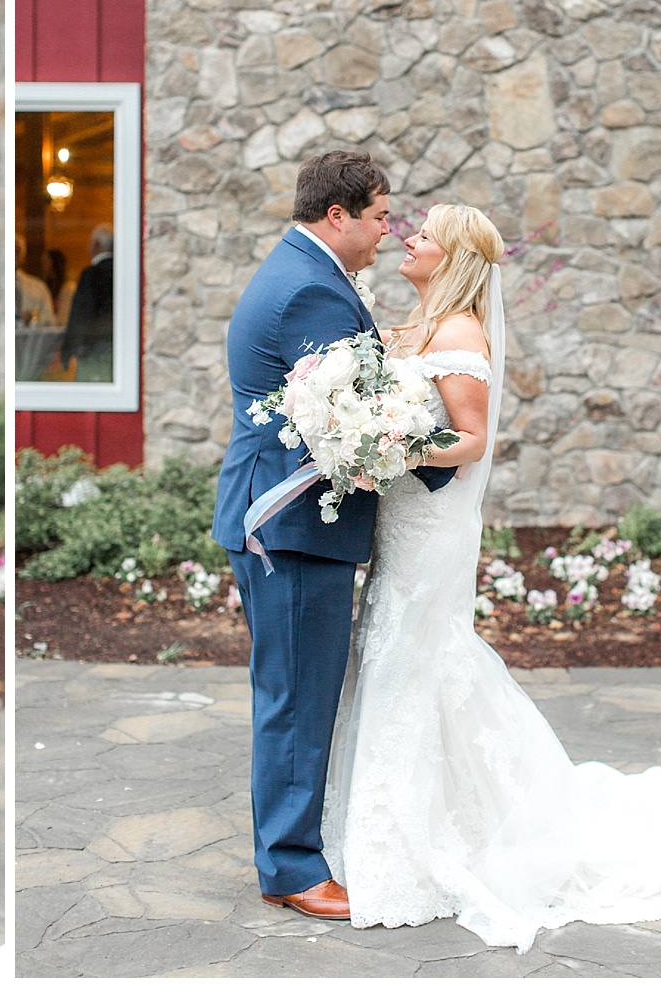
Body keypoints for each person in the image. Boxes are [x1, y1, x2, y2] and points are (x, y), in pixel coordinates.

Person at [322, 202, 661, 950]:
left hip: (432, 528)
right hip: (402, 523)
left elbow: (471, 439)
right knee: (395, 653)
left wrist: (390, 449)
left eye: (424, 235)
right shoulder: (417, 324)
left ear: (451, 256)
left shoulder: (459, 332)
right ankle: (410, 818)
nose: (410, 238)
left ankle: (432, 834)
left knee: (417, 655)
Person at [210, 151, 455, 920]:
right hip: (289, 524)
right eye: (381, 215)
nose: (391, 229)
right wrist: (437, 467)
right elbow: (348, 424)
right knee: (296, 697)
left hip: (290, 521)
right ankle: (289, 868)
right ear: (338, 215)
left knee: (299, 691)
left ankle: (292, 851)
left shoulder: (304, 271)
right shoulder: (311, 290)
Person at [59, 223, 115, 380]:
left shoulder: (91, 274)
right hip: (116, 347)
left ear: (96, 244)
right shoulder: (120, 271)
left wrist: (69, 348)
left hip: (92, 348)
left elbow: (82, 313)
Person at [16, 233, 56, 326]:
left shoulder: (38, 287)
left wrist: (33, 317)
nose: (13, 254)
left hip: (30, 338)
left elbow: (50, 321)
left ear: (23, 255)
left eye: (17, 250)